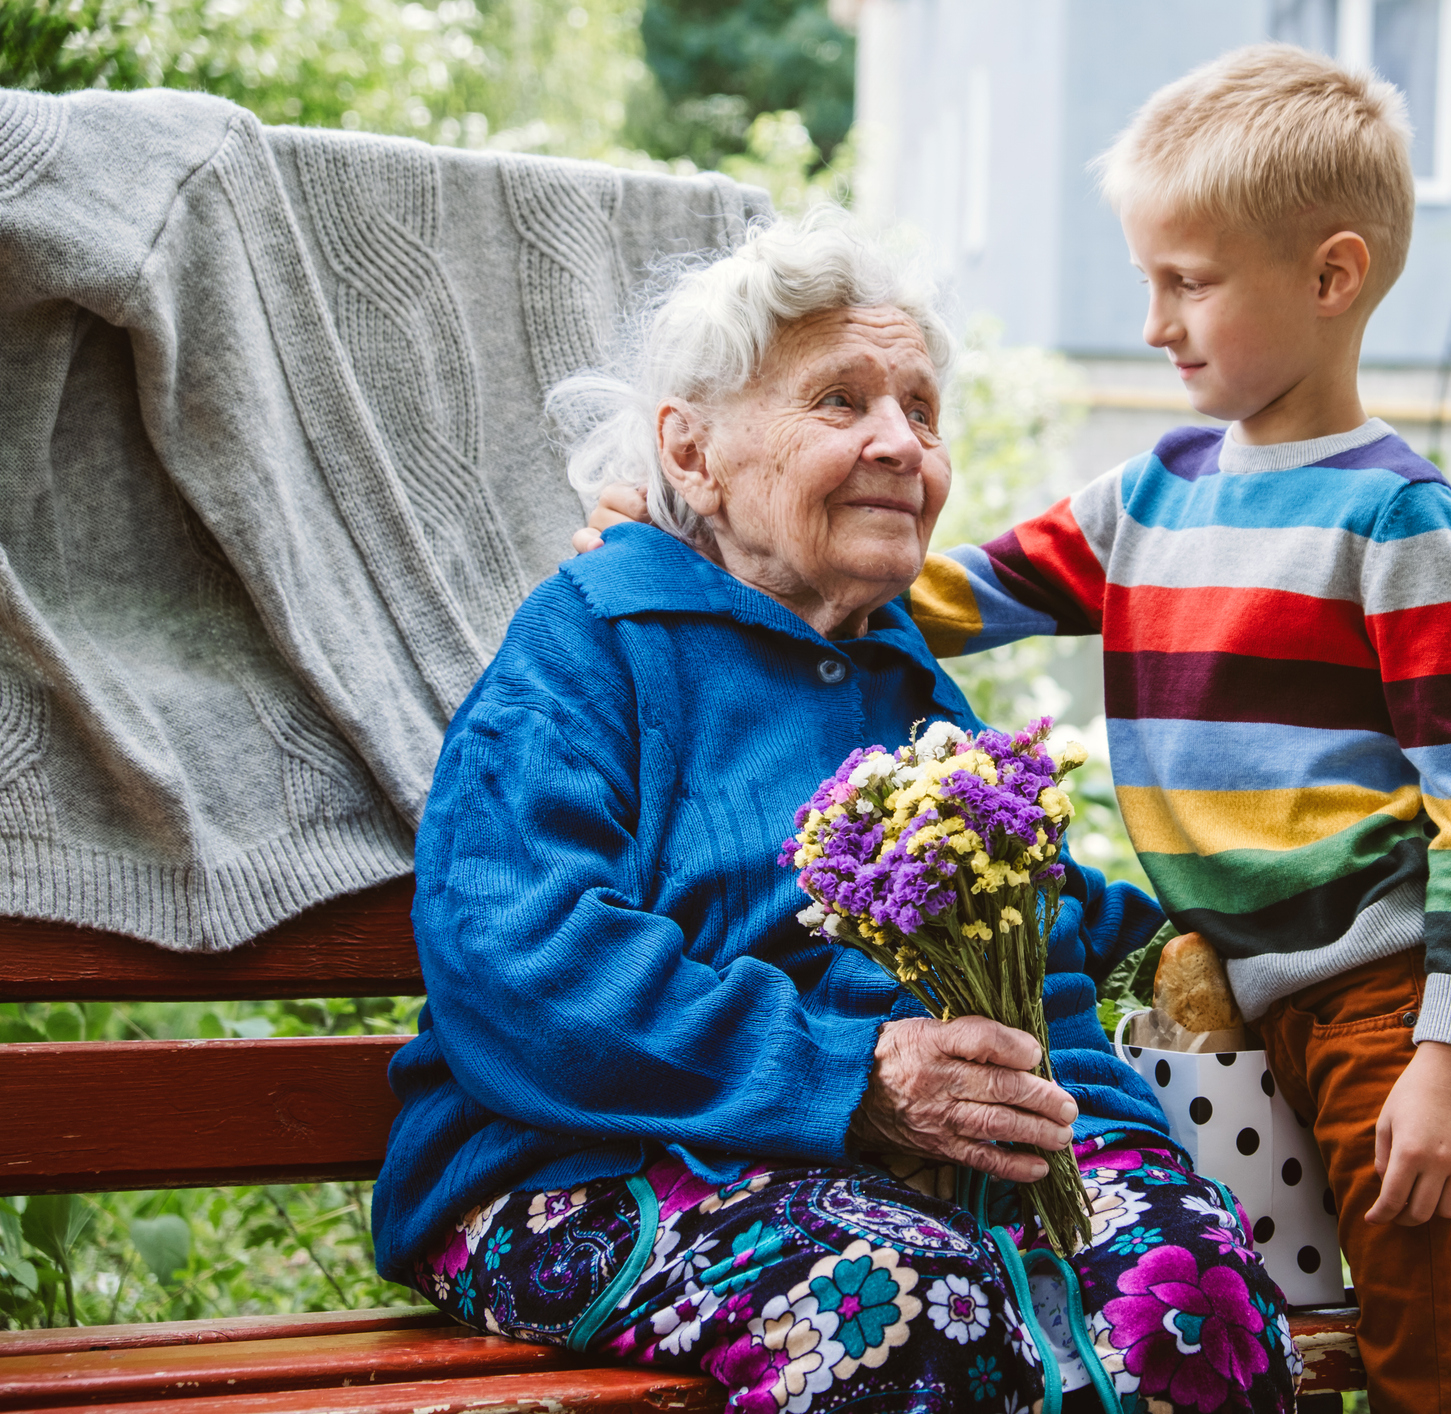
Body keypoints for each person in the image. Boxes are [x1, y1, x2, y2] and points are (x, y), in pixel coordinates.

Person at [581, 42, 1451, 1414]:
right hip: (1232, 995)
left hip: (1388, 992)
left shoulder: (1394, 521)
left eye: (1191, 283)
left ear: (1330, 275)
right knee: (1283, 1326)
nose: (1158, 322)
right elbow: (934, 593)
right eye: (1148, 283)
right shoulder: (1150, 494)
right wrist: (710, 553)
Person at [374, 210, 1302, 1414]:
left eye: (921, 409)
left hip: (922, 1167)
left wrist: (1136, 1127)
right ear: (694, 454)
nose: (899, 443)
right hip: (587, 1159)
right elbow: (520, 960)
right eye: (840, 401)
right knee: (898, 1306)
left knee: (1192, 1300)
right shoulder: (593, 645)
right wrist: (848, 1074)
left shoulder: (914, 685)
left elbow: (1047, 941)